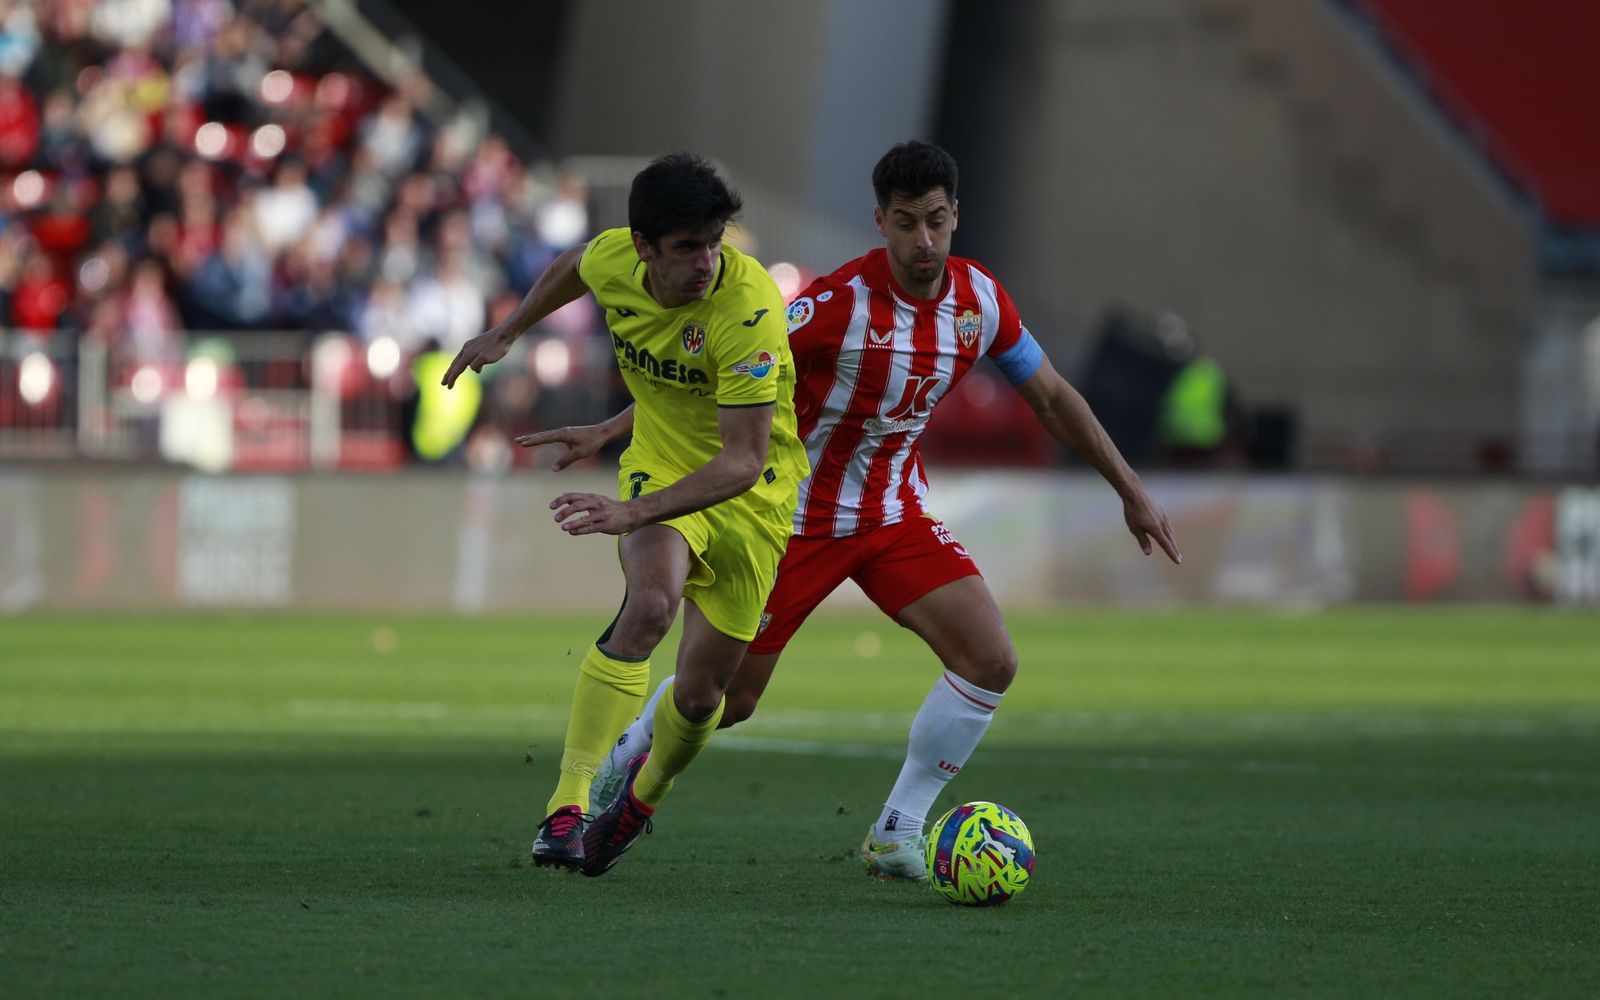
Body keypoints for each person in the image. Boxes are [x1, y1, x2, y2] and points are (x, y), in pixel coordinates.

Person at [591, 141, 1182, 880]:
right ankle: (634, 745)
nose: (924, 240)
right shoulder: (836, 305)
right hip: (790, 523)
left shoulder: (980, 302)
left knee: (991, 659)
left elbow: (1053, 397)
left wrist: (1131, 490)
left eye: (936, 220)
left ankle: (897, 831)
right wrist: (619, 426)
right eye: (906, 223)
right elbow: (714, 373)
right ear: (881, 222)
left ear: (956, 215)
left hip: (891, 516)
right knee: (728, 700)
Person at [442, 152, 807, 876]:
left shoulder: (748, 308)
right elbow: (578, 264)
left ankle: (641, 799)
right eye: (686, 248)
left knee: (705, 699)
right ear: (642, 246)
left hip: (754, 498)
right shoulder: (617, 260)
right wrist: (509, 331)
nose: (706, 261)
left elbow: (738, 459)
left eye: (713, 242)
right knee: (649, 605)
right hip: (661, 468)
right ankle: (566, 808)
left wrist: (629, 508)